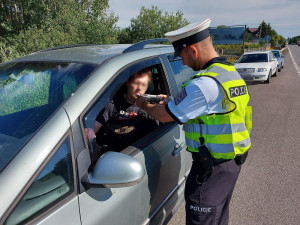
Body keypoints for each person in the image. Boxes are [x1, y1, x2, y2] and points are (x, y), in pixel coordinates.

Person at [135, 18, 252, 225]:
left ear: (193, 50)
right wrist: (172, 102)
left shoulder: (203, 83)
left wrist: (142, 103)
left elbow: (164, 116)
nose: (184, 63)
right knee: (217, 219)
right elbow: (213, 108)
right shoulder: (229, 74)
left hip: (210, 170)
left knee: (203, 218)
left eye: (182, 56)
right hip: (230, 163)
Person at [85, 68, 159, 155]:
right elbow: (94, 128)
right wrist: (89, 132)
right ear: (128, 82)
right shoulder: (112, 104)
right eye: (136, 83)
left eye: (143, 85)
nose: (139, 88)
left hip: (136, 153)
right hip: (112, 155)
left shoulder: (149, 107)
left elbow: (156, 137)